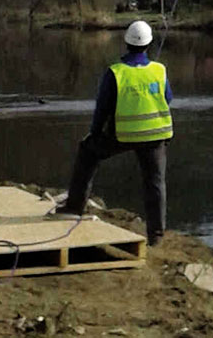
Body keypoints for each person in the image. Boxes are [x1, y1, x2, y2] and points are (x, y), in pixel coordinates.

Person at [57, 20, 173, 244]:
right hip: (156, 137)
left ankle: (74, 207)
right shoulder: (159, 70)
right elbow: (167, 99)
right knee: (155, 183)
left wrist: (94, 133)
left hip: (123, 135)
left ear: (126, 43)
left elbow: (103, 109)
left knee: (87, 153)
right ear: (148, 44)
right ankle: (156, 235)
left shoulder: (115, 73)